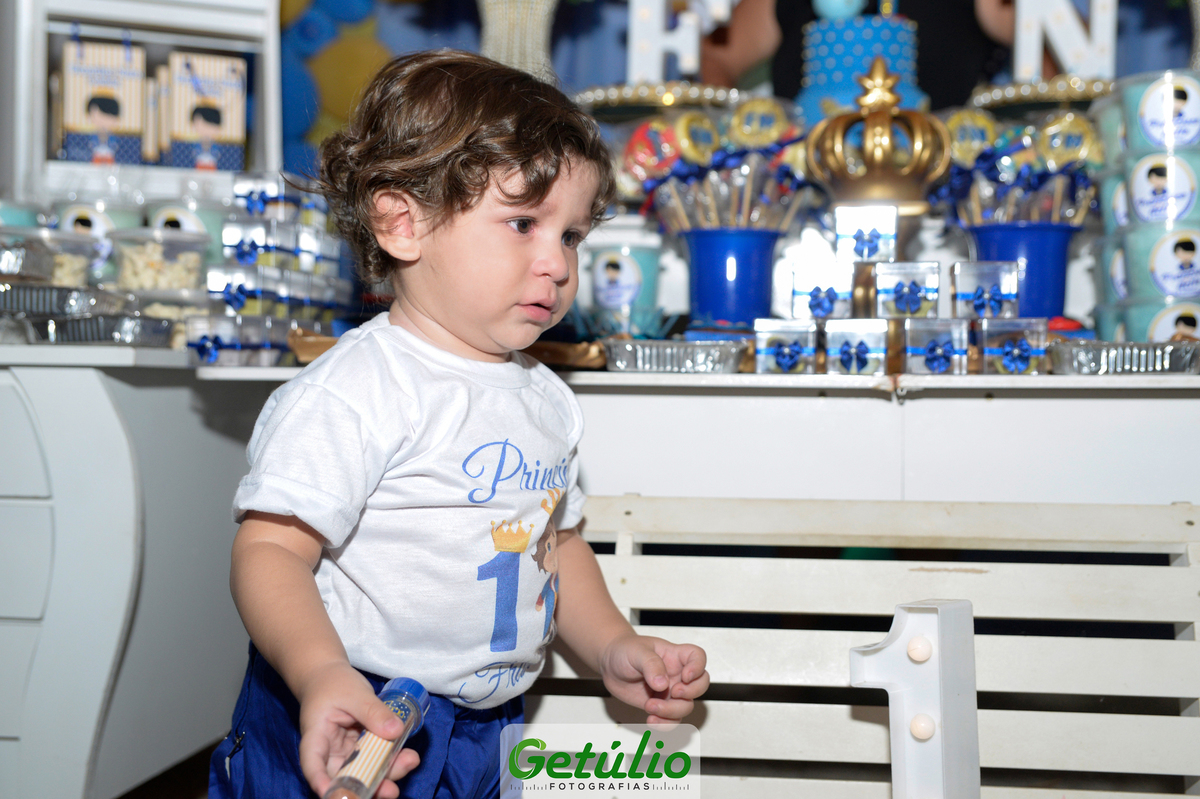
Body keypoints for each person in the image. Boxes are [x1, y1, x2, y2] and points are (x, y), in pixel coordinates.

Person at [208, 49, 710, 799]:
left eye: (571, 235)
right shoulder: (355, 391)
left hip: (486, 725)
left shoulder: (546, 399)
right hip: (351, 711)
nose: (557, 263)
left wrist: (612, 645)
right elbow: (270, 551)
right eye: (523, 223)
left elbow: (556, 545)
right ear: (403, 223)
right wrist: (319, 672)